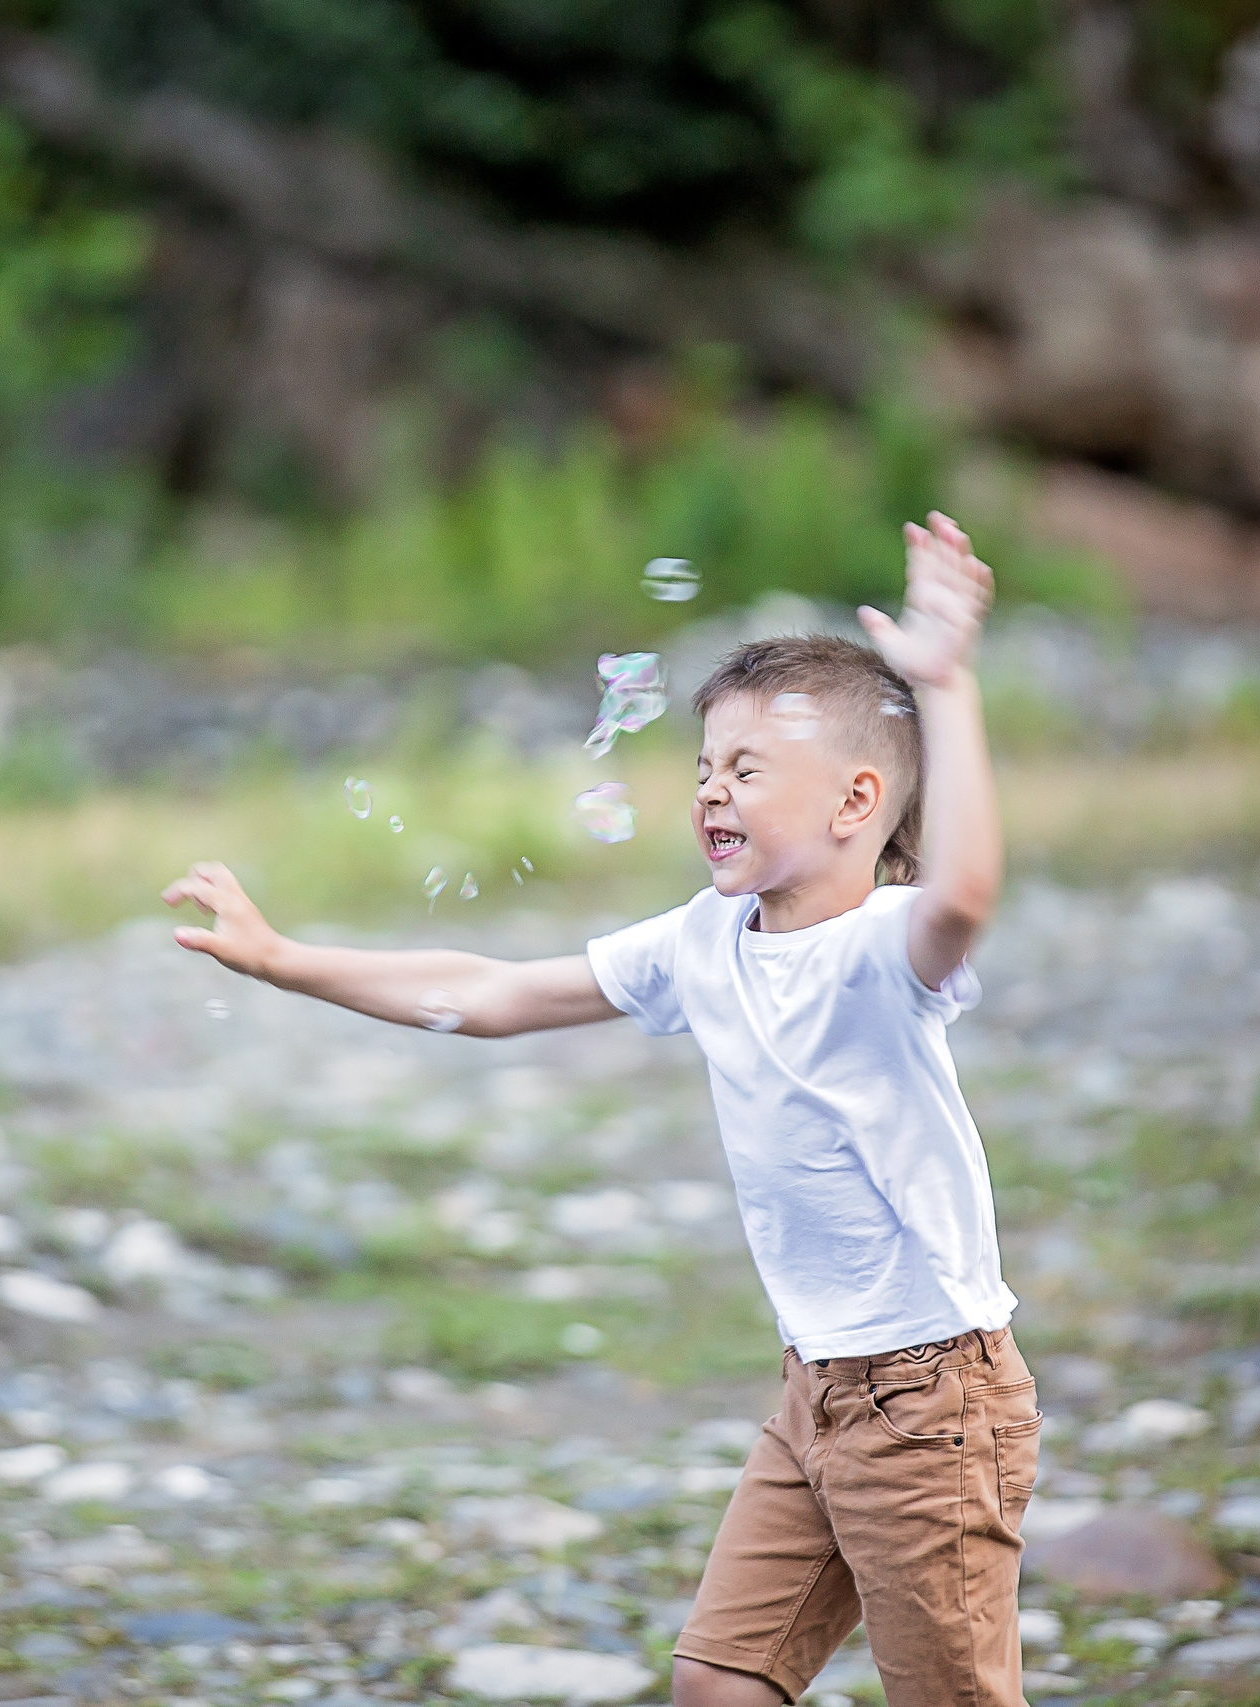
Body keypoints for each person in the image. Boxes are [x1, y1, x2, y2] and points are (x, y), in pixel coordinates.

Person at [162, 512, 1035, 1707]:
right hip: (815, 1394)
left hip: (929, 1403)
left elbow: (968, 888)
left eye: (747, 769)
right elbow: (491, 992)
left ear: (854, 802)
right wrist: (286, 959)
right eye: (701, 769)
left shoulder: (885, 949)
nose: (710, 792)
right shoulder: (703, 939)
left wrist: (946, 684)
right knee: (718, 1683)